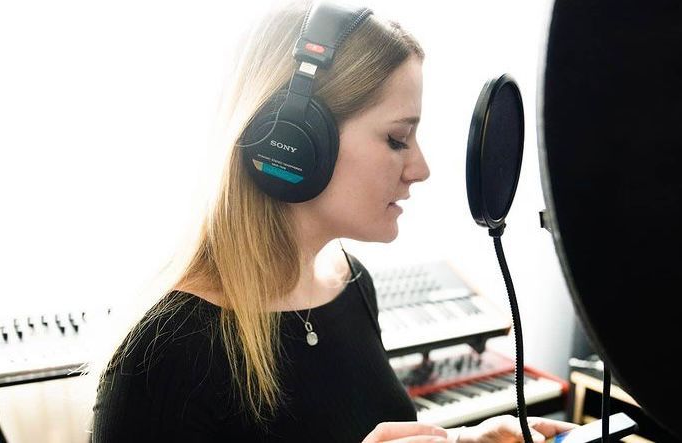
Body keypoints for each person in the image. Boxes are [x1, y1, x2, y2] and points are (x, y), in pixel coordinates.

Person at [89, 0, 577, 441]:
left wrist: (461, 441)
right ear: (294, 142)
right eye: (396, 139)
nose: (420, 169)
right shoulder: (161, 353)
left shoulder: (353, 285)